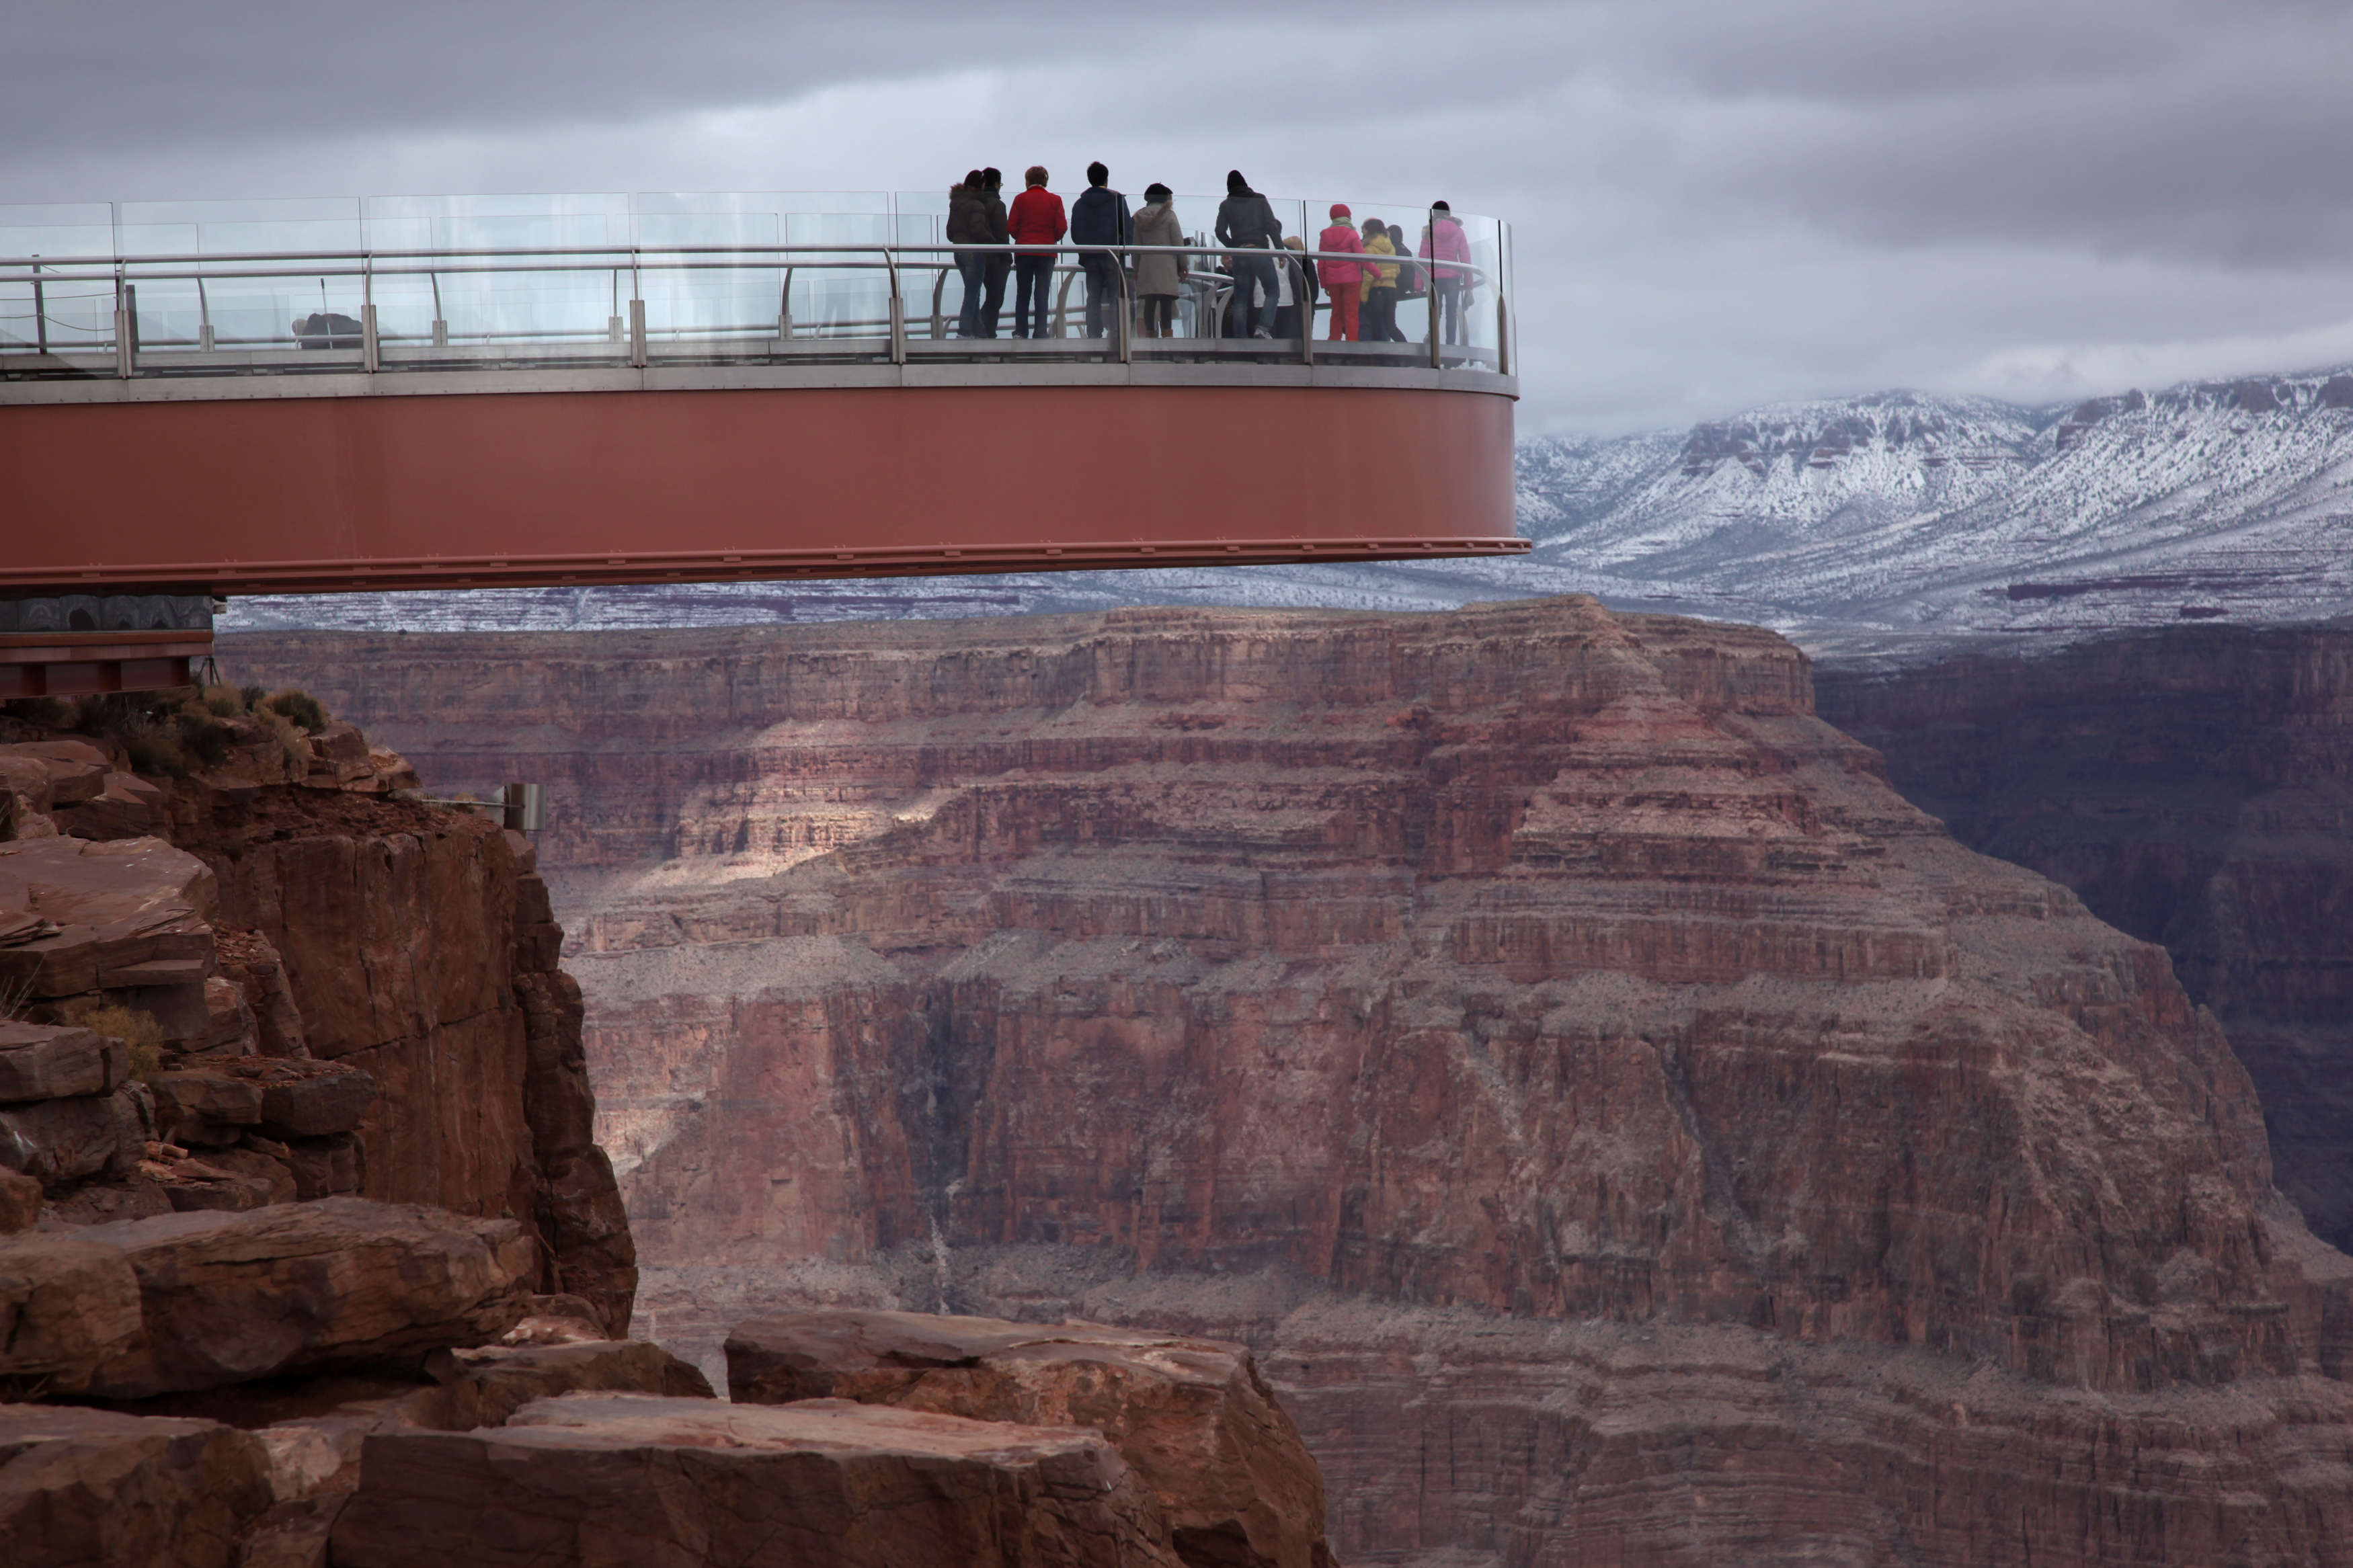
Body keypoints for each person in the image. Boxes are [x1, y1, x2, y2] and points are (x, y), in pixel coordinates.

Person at [1213, 169, 1282, 338]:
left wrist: (1234, 247)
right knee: (1273, 291)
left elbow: (1220, 231)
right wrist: (1280, 252)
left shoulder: (1226, 205)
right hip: (1259, 251)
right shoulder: (1260, 200)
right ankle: (1263, 328)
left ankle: (1240, 337)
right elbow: (1272, 227)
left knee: (1241, 298)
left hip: (1240, 253)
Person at [1068, 161, 1132, 339]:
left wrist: (1087, 248)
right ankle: (1116, 333)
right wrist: (1122, 248)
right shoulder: (1117, 200)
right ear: (1106, 178)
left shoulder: (1080, 204)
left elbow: (1075, 234)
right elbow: (1127, 230)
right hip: (1112, 255)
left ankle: (1094, 333)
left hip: (1090, 257)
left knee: (1093, 296)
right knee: (1115, 295)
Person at [1006, 165, 1067, 339]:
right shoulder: (1055, 200)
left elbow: (1011, 226)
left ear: (1027, 181)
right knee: (1042, 292)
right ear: (1045, 181)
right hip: (1047, 252)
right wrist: (1051, 238)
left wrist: (1022, 236)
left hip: (1024, 251)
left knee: (1023, 293)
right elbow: (1061, 227)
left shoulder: (1020, 199)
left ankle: (1021, 331)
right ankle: (1040, 331)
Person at [1131, 183, 1185, 339]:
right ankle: (1167, 336)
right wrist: (1183, 265)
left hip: (1146, 265)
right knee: (1166, 303)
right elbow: (1178, 242)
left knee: (1149, 303)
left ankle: (1150, 336)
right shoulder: (1170, 215)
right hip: (1166, 263)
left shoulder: (1139, 217)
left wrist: (1136, 269)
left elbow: (1136, 246)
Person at [1421, 200, 1471, 346]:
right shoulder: (1459, 231)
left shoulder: (1428, 232)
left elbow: (1423, 258)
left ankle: (1433, 344)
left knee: (1435, 312)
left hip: (1434, 278)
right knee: (1452, 313)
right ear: (1449, 214)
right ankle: (1451, 344)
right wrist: (1469, 285)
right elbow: (1466, 258)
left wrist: (1418, 284)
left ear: (1434, 214)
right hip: (1453, 278)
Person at [947, 170, 989, 339]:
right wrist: (993, 242)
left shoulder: (955, 204)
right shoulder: (977, 205)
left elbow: (950, 232)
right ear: (980, 185)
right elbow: (978, 230)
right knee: (972, 292)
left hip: (959, 252)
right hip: (974, 251)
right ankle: (964, 330)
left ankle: (978, 331)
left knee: (973, 291)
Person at [1315, 203, 1365, 341]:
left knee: (1336, 312)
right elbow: (1363, 258)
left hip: (1333, 280)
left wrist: (1324, 284)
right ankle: (1352, 341)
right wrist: (1378, 274)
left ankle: (1334, 340)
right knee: (1352, 312)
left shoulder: (1325, 235)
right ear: (1348, 216)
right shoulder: (1352, 233)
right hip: (1353, 280)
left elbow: (1321, 262)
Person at [975, 168, 1011, 337]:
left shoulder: (975, 204)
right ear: (996, 184)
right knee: (996, 298)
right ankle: (985, 331)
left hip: (978, 257)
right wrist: (1007, 257)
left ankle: (983, 330)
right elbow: (1002, 234)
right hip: (997, 259)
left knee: (982, 297)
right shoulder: (998, 205)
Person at [1361, 218, 1402, 343]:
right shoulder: (1391, 246)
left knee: (1377, 324)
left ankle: (1382, 357)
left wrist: (1363, 295)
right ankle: (1405, 347)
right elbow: (1398, 269)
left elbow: (1368, 274)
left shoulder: (1369, 247)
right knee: (1391, 326)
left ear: (1369, 230)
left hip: (1377, 290)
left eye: (1363, 229)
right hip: (1392, 288)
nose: (1362, 232)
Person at [1274, 236, 1318, 339]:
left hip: (1293, 305)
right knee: (1305, 338)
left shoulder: (1291, 262)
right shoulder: (1308, 261)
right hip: (1308, 304)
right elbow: (1315, 285)